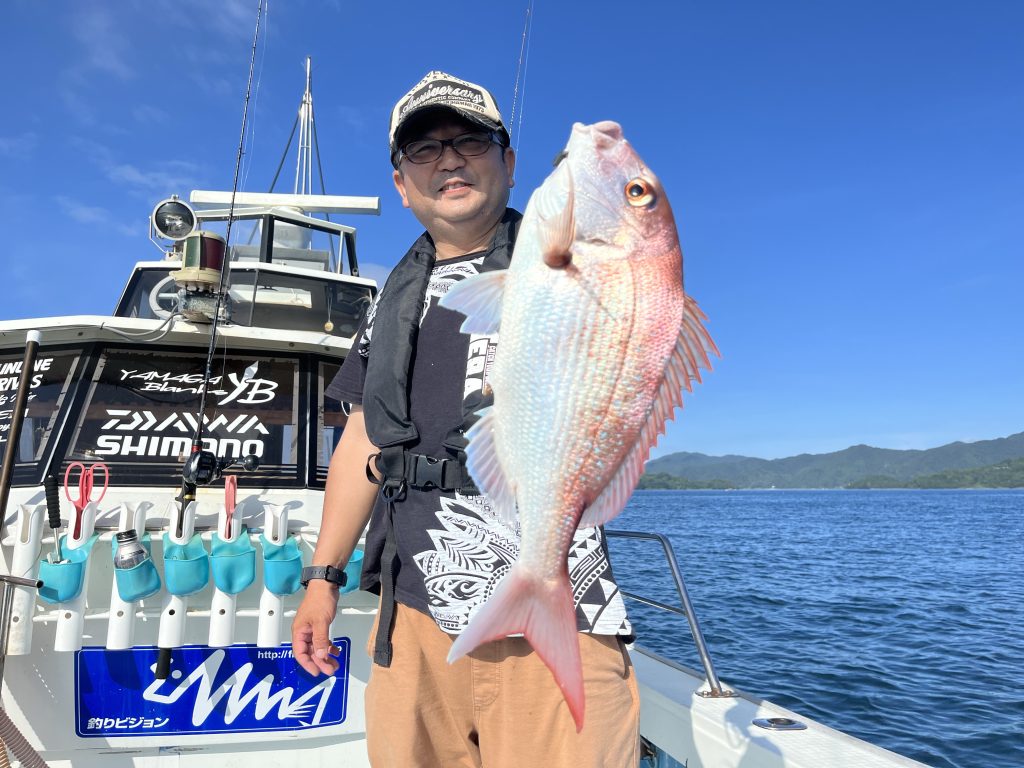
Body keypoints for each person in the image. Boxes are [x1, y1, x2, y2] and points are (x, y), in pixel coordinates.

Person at [291, 71, 639, 767]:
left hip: (557, 609)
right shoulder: (391, 301)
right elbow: (363, 440)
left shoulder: (570, 267)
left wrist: (603, 176)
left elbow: (630, 301)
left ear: (509, 163)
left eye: (470, 142)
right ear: (402, 185)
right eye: (424, 150)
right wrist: (322, 577)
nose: (449, 160)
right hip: (414, 612)